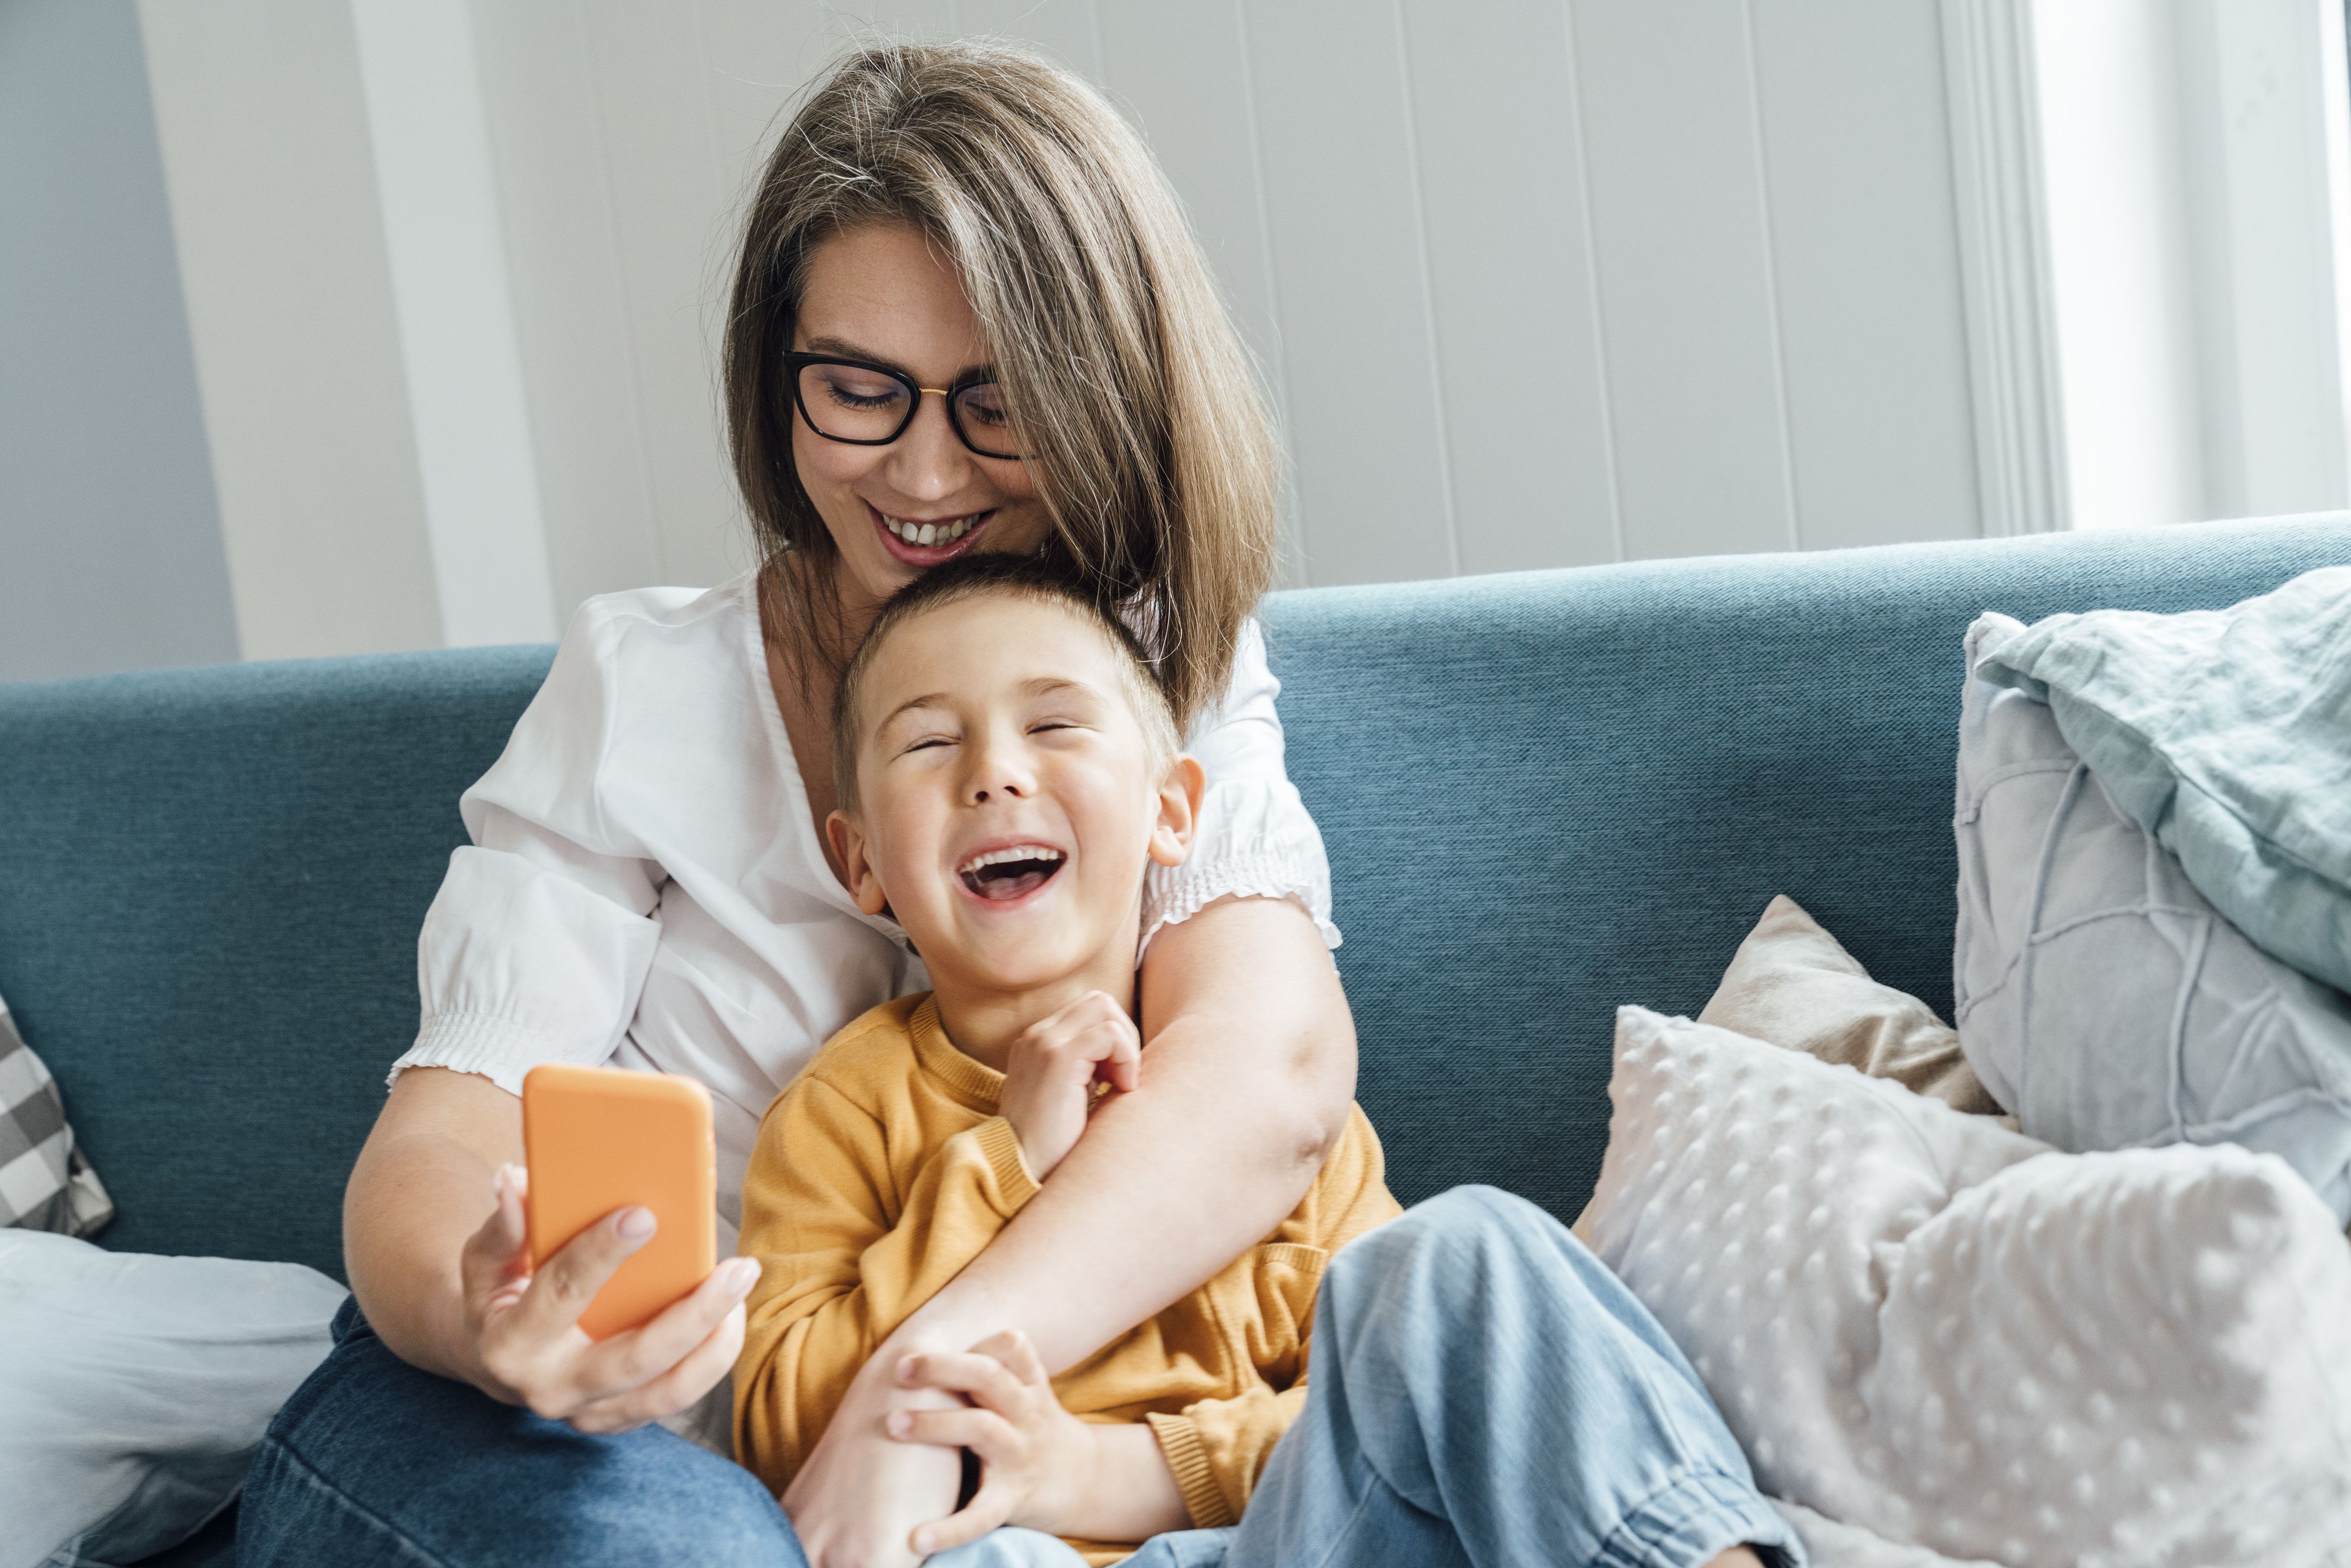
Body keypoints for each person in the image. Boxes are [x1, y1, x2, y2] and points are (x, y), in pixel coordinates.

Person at [239, 39, 1355, 1568]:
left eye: (995, 404)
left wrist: (900, 1394)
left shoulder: (1154, 673)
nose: (923, 471)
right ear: (780, 381)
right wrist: (491, 1322)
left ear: (1103, 396)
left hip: (901, 1451)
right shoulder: (647, 687)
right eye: (858, 389)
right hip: (555, 1436)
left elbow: (1268, 1079)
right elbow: (437, 1137)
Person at [733, 554, 1799, 1568]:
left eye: (1053, 724)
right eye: (928, 746)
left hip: (1299, 1537)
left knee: (1465, 1247)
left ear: (1172, 812)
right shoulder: (844, 1110)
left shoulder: (1247, 1104)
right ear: (860, 859)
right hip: (1020, 1550)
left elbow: (1393, 1397)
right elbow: (791, 1430)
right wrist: (1004, 1163)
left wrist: (1108, 1470)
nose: (996, 774)